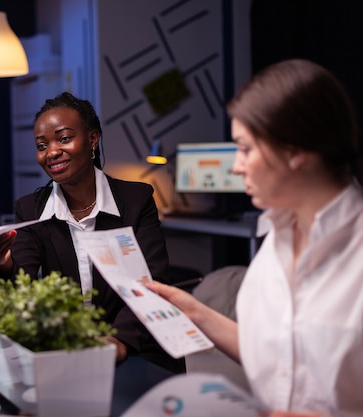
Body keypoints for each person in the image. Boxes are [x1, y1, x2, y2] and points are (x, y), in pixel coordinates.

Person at [145, 59, 363, 416]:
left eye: (245, 148)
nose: (236, 166)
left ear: (294, 151)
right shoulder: (275, 239)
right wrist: (194, 312)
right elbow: (275, 357)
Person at [0, 91, 184, 373]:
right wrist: (2, 262)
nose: (51, 152)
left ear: (93, 139)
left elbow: (151, 282)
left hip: (138, 346)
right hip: (69, 351)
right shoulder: (31, 210)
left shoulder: (137, 199)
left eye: (64, 138)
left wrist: (118, 341)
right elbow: (19, 285)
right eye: (41, 145)